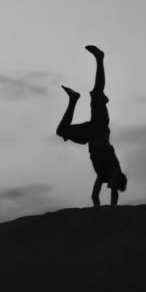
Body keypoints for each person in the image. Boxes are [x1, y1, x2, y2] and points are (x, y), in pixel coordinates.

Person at [56, 45, 128, 207]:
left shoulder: (102, 176)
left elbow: (95, 196)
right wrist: (111, 211)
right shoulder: (115, 170)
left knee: (61, 131)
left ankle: (73, 99)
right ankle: (100, 59)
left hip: (90, 135)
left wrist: (98, 215)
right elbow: (113, 196)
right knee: (97, 93)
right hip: (100, 128)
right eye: (115, 185)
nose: (112, 186)